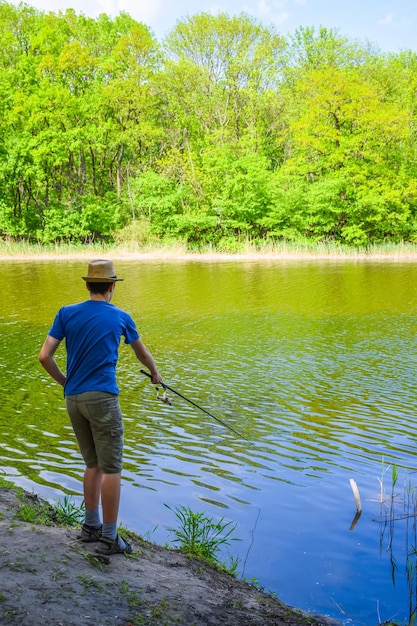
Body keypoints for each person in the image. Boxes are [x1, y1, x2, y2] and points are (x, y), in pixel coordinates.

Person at [39, 259, 162, 555]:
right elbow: (142, 354)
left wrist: (66, 383)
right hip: (103, 399)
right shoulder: (121, 317)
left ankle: (89, 526)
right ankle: (109, 537)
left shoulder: (66, 313)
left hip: (74, 399)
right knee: (111, 468)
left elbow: (45, 356)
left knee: (91, 463)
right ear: (111, 287)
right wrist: (156, 375)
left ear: (86, 285)